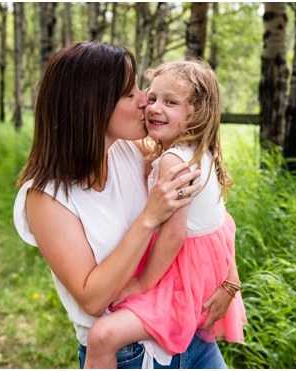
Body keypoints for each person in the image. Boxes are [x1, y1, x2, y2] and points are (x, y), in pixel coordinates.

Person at [13, 42, 213, 369]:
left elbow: (198, 204)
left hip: (188, 333)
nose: (144, 100)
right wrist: (148, 218)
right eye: (128, 93)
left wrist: (228, 279)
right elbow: (93, 299)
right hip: (127, 353)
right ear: (90, 105)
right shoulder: (46, 197)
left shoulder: (131, 148)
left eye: (138, 87)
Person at [83, 60, 247, 368]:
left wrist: (142, 284)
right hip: (207, 269)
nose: (154, 107)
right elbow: (222, 220)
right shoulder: (201, 152)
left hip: (184, 274)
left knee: (102, 335)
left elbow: (172, 234)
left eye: (170, 102)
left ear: (195, 114)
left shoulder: (173, 162)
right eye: (153, 97)